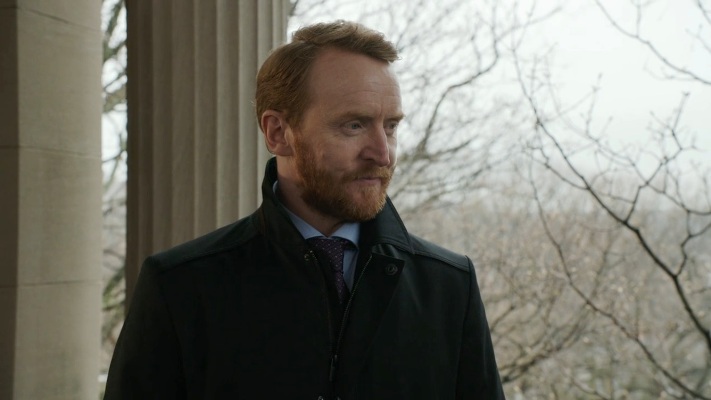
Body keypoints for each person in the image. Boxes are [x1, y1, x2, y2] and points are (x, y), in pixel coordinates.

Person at [104, 20, 505, 399]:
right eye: (354, 125)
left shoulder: (450, 287)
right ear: (278, 132)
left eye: (391, 126)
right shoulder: (180, 288)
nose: (382, 154)